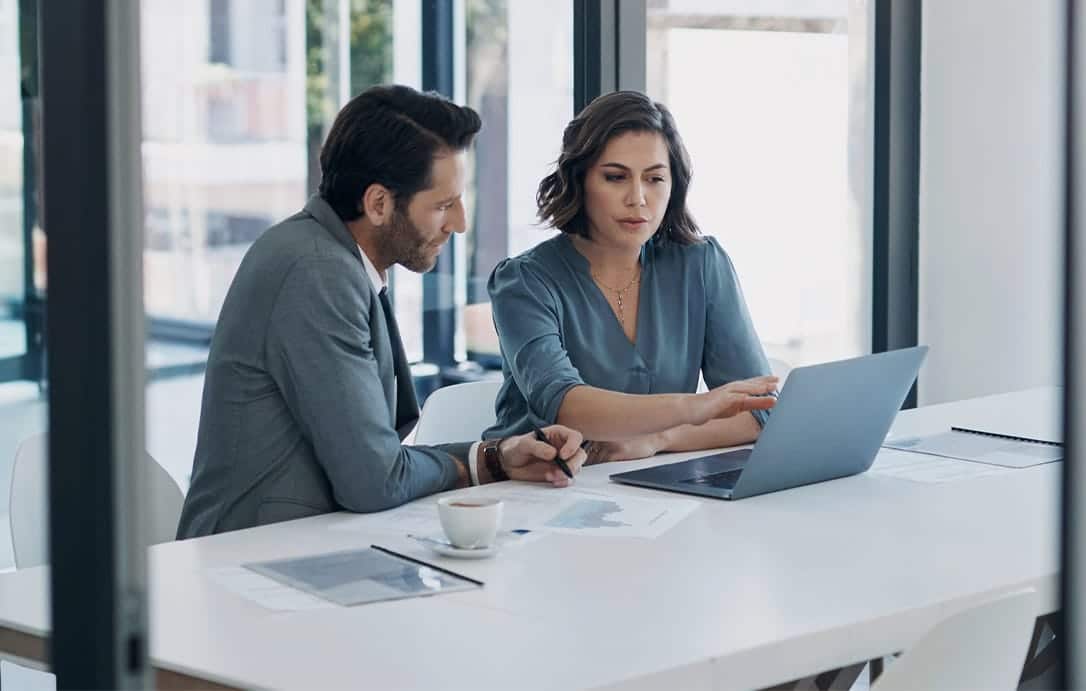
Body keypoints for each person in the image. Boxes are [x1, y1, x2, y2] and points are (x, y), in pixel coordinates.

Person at [177, 85, 586, 539]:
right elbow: (375, 480)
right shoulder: (317, 272)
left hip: (309, 543)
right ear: (378, 204)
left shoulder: (330, 257)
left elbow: (377, 464)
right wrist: (480, 464)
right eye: (443, 205)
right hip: (252, 556)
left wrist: (495, 458)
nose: (459, 224)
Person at [484, 90, 776, 463]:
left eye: (654, 179)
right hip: (536, 483)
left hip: (648, 484)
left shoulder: (701, 264)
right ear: (579, 180)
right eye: (615, 177)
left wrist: (659, 439)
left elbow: (760, 410)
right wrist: (695, 407)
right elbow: (564, 405)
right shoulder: (524, 282)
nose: (637, 198)